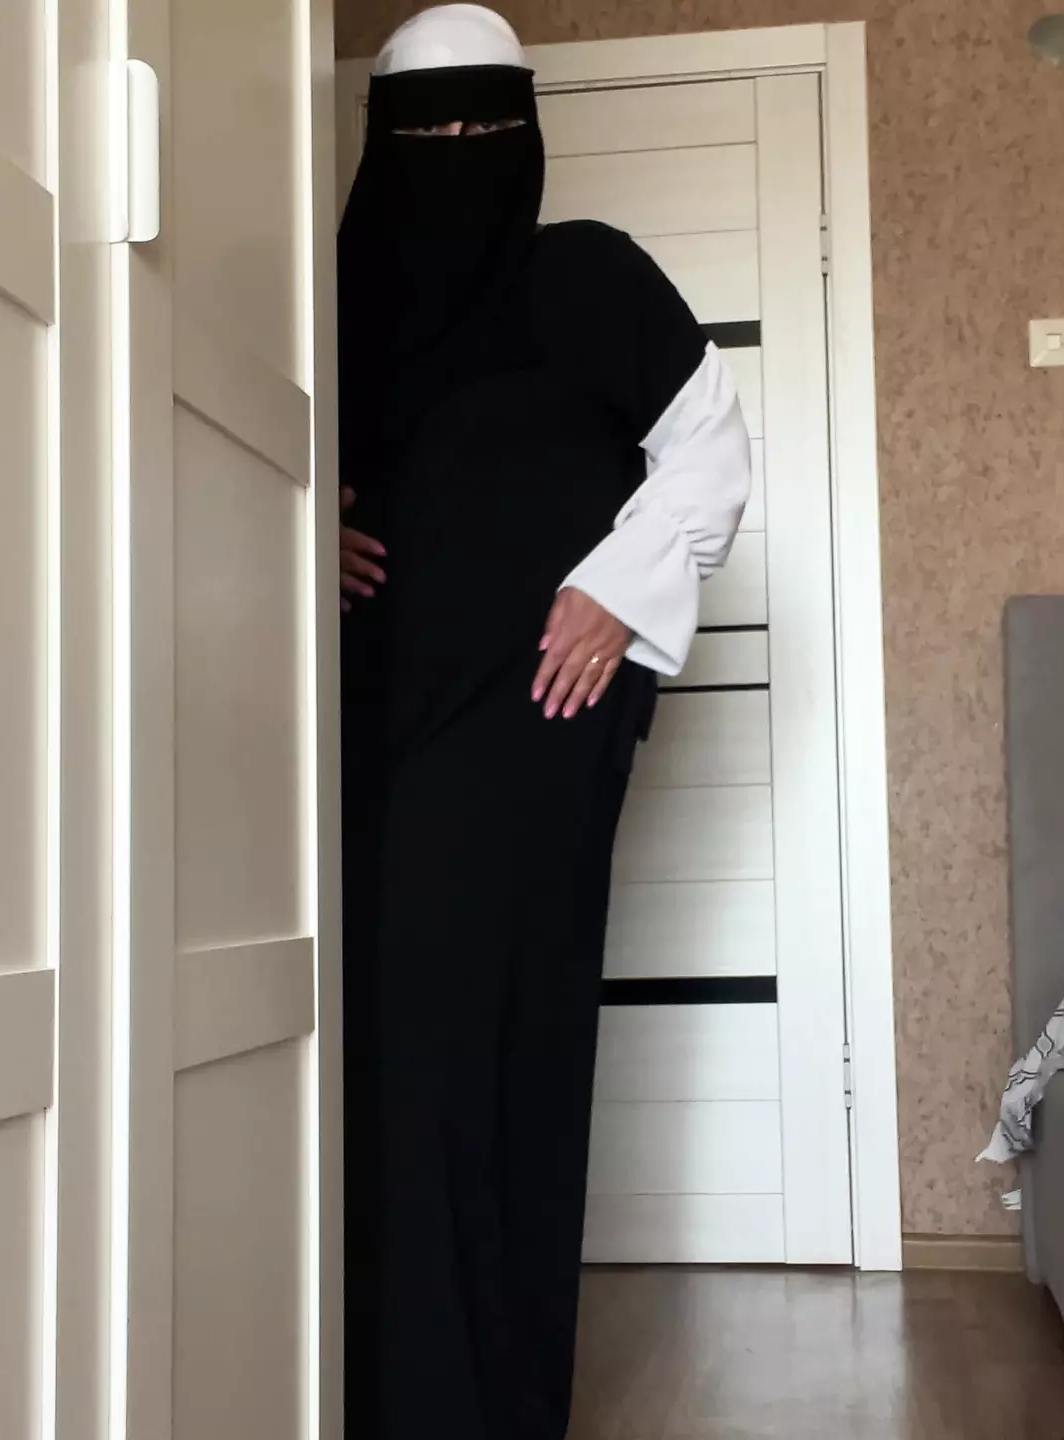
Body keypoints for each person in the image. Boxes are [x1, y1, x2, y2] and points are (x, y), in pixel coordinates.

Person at [335, 6, 752, 1437]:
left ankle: (494, 1398)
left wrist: (614, 594)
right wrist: (299, 525)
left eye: (485, 126)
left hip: (538, 721)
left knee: (507, 1036)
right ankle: (373, 1387)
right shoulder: (328, 300)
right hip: (360, 722)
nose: (459, 154)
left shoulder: (590, 275)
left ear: (528, 131)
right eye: (428, 131)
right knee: (375, 1045)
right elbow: (236, 449)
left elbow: (709, 448)